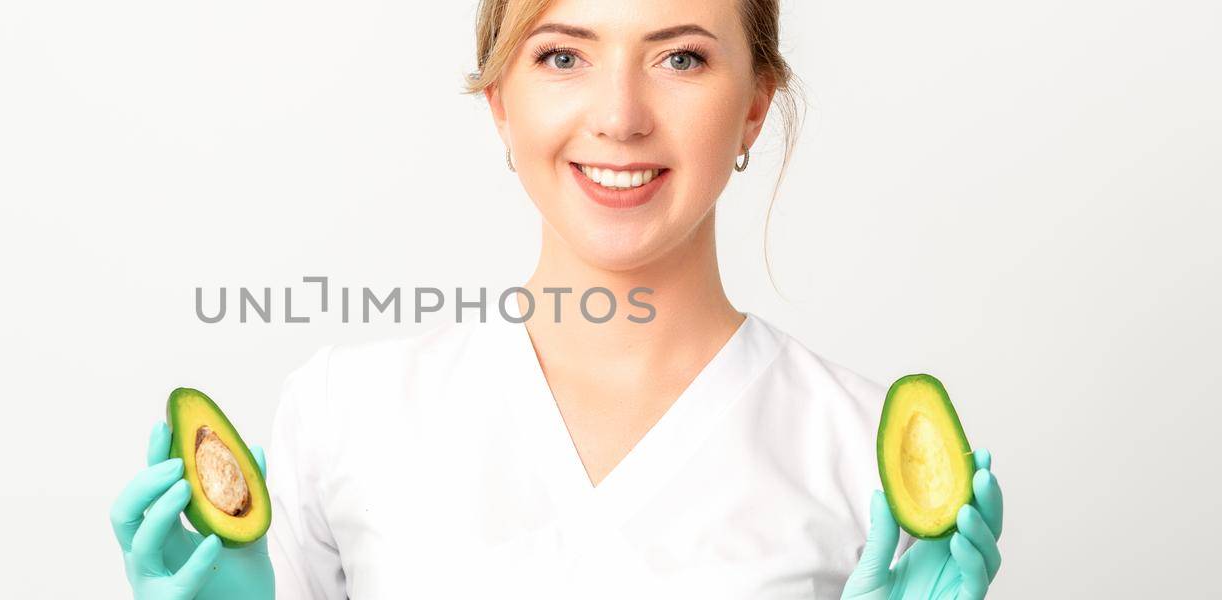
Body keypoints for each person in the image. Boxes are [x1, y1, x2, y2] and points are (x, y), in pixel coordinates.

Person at [111, 0, 1004, 597]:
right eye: (564, 55)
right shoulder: (345, 414)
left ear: (755, 108)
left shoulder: (860, 452)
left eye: (681, 57)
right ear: (501, 99)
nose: (619, 116)